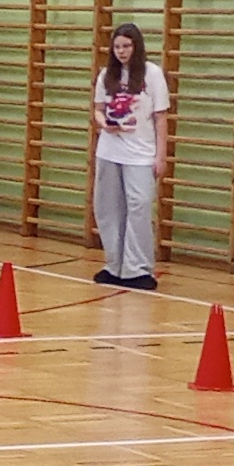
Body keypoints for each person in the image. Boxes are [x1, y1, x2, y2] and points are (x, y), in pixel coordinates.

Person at [90, 22, 170, 290]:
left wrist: (161, 156)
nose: (121, 51)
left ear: (136, 47)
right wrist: (104, 123)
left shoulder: (152, 74)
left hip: (141, 153)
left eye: (126, 46)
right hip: (110, 150)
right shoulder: (106, 75)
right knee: (108, 208)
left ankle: (138, 268)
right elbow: (98, 109)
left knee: (139, 206)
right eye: (117, 47)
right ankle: (114, 264)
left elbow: (160, 117)